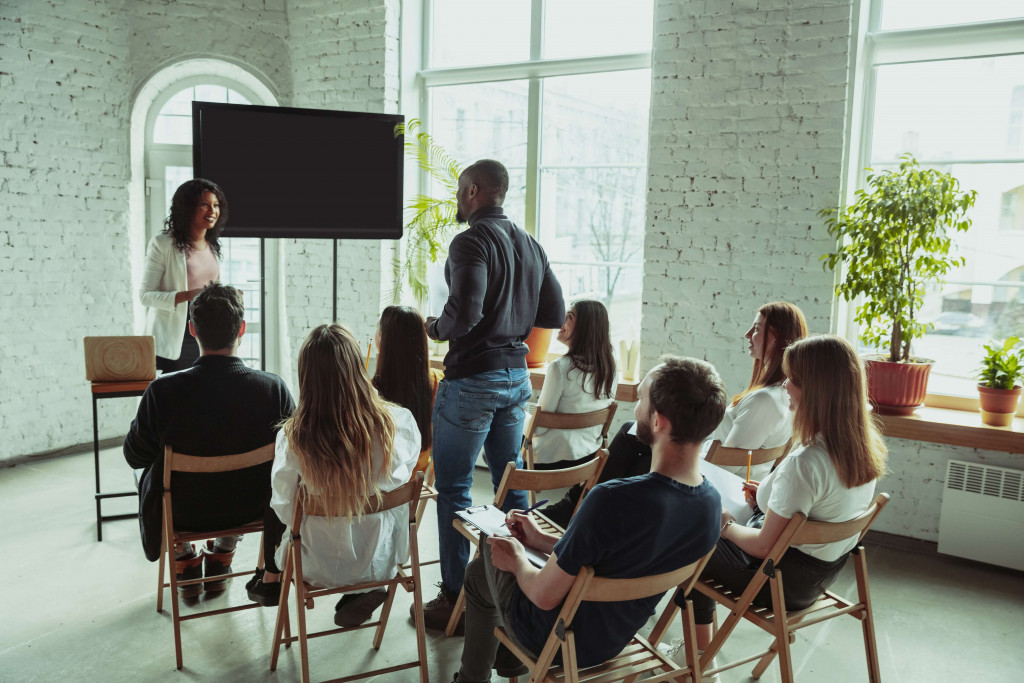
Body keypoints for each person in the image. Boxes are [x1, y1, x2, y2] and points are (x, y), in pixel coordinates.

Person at [451, 356, 726, 683]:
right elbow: (616, 562)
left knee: (483, 563)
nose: (635, 409)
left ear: (659, 422)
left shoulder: (611, 499)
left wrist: (518, 560)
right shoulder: (711, 506)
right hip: (613, 640)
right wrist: (541, 541)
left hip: (557, 639)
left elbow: (543, 595)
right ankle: (509, 666)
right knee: (499, 561)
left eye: (640, 400)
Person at [421, 159, 565, 631]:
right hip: (515, 378)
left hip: (472, 381)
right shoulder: (530, 244)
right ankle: (519, 591)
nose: (458, 199)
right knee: (511, 487)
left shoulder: (470, 241)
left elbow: (463, 314)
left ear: (475, 191)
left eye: (461, 190)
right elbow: (556, 310)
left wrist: (434, 328)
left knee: (455, 490)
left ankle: (456, 600)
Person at [678, 335, 887, 659]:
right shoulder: (863, 447)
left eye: (794, 379)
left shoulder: (806, 462)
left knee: (689, 531)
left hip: (777, 583)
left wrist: (724, 525)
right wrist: (765, 497)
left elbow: (764, 546)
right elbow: (812, 506)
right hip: (819, 577)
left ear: (816, 391)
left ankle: (695, 655)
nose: (785, 385)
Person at [541, 302, 808, 527]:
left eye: (757, 329)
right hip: (716, 479)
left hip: (718, 491)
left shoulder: (765, 400)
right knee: (633, 433)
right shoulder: (779, 396)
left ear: (778, 337)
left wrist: (684, 445)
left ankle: (579, 505)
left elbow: (724, 464)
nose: (747, 334)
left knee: (633, 435)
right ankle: (583, 504)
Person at [244, 324, 421, 629]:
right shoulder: (398, 424)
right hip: (381, 558)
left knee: (275, 502)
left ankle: (269, 578)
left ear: (307, 378)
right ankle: (365, 589)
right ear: (358, 368)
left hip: (314, 564)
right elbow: (400, 480)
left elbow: (285, 509)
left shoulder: (294, 437)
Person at [123, 283, 294, 597]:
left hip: (183, 511)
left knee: (144, 470)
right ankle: (223, 552)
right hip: (253, 506)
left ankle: (183, 557)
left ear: (192, 329)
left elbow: (135, 456)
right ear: (241, 329)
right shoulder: (273, 389)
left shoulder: (162, 392)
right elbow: (294, 456)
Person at [140, 178, 228, 373]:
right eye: (204, 204)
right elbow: (145, 296)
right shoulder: (162, 244)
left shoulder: (213, 246)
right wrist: (188, 295)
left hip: (207, 333)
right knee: (176, 397)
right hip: (174, 338)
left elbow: (212, 288)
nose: (212, 211)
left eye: (216, 205)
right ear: (187, 208)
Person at [529, 299, 618, 471]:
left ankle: (512, 498)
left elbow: (539, 428)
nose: (561, 320)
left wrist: (521, 421)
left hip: (550, 459)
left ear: (585, 328)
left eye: (569, 316)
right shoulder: (610, 366)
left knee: (498, 447)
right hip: (589, 456)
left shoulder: (559, 368)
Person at [374, 305, 444, 475]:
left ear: (385, 340)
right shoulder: (437, 381)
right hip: (416, 478)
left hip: (384, 482)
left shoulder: (372, 389)